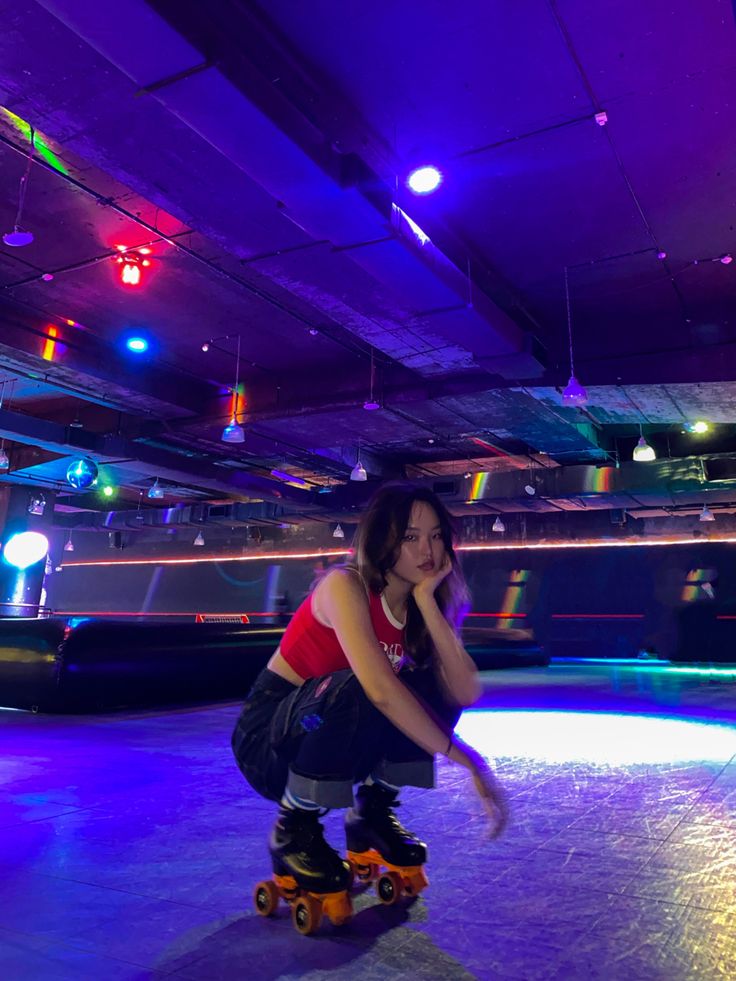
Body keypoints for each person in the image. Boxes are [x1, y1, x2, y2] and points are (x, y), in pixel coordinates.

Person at [232, 482, 508, 899]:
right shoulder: (345, 585)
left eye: (435, 536)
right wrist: (465, 759)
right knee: (363, 685)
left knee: (432, 686)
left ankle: (372, 814)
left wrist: (429, 603)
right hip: (271, 741)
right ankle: (293, 829)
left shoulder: (416, 607)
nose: (426, 551)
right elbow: (378, 689)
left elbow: (464, 691)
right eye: (410, 537)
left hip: (335, 734)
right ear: (383, 541)